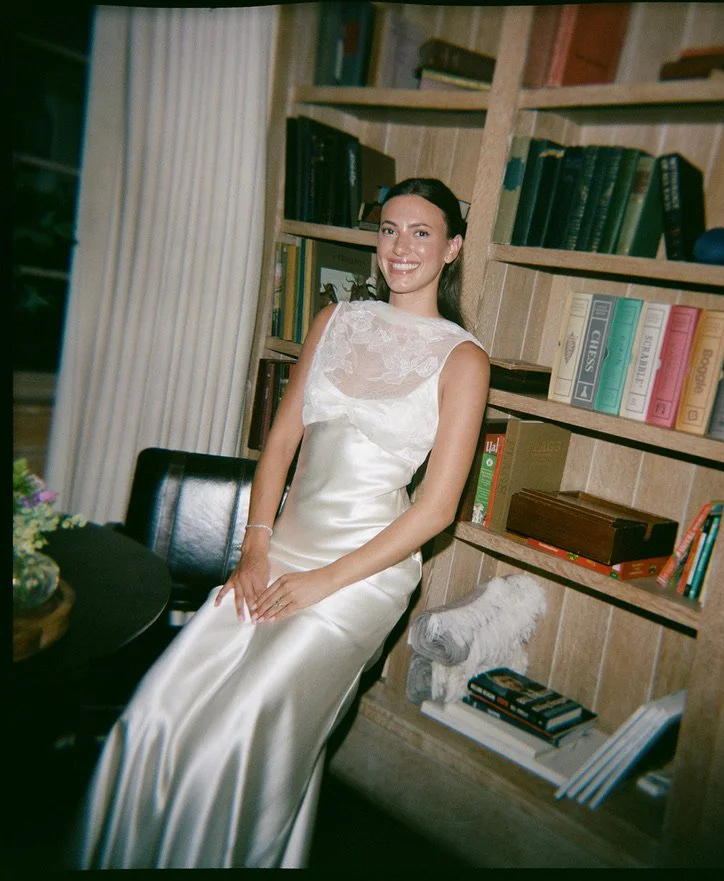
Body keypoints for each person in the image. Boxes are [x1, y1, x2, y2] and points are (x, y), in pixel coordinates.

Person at [71, 178, 490, 868]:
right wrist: (255, 547)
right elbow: (281, 441)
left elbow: (437, 509)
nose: (402, 246)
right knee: (156, 711)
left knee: (233, 736)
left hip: (362, 574)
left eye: (421, 232)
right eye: (389, 229)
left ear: (452, 248)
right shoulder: (336, 320)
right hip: (280, 549)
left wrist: (323, 581)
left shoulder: (464, 358)